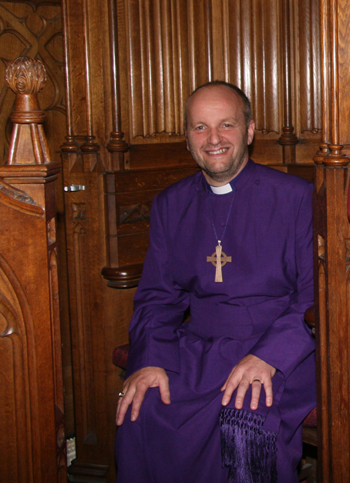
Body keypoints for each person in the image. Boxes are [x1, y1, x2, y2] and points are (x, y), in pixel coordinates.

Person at [115, 81, 316, 483]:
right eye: (200, 128)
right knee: (143, 406)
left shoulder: (297, 197)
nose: (214, 139)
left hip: (284, 349)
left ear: (250, 130)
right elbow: (157, 296)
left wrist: (270, 356)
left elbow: (315, 295)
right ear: (187, 140)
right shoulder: (171, 204)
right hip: (202, 348)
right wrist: (151, 356)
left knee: (245, 418)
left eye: (226, 125)